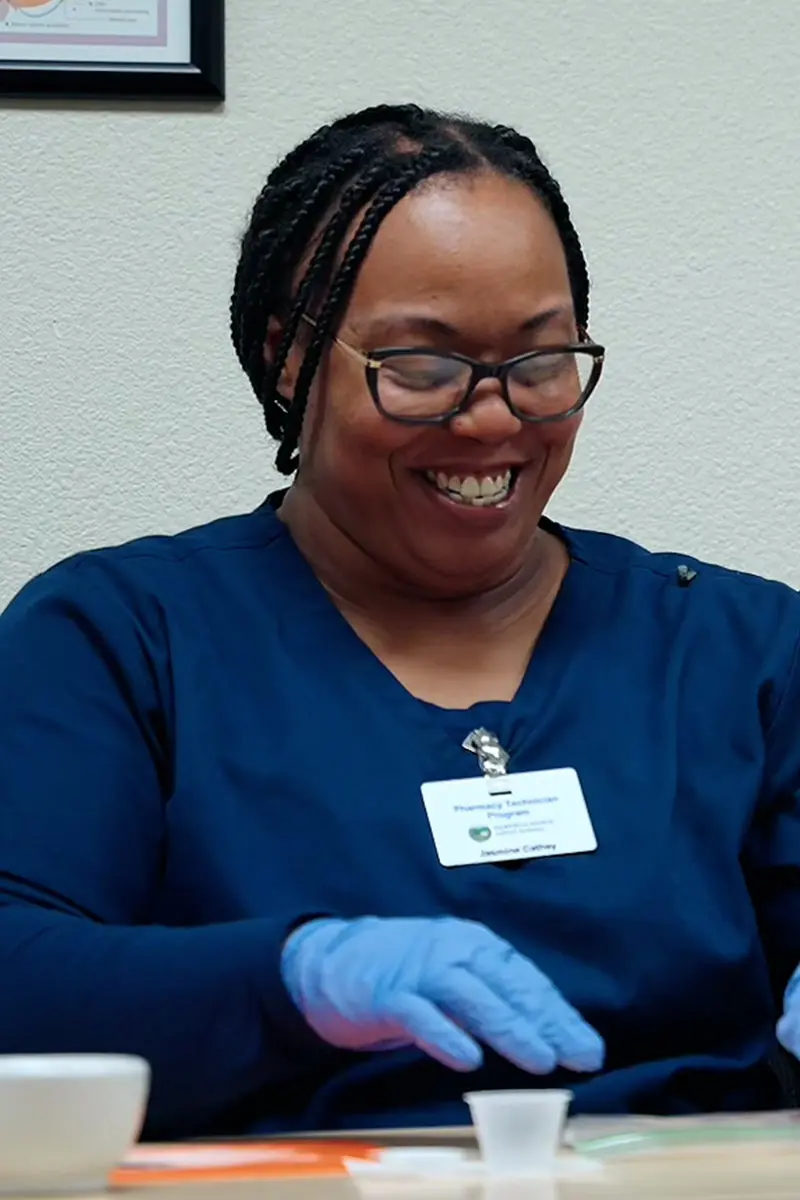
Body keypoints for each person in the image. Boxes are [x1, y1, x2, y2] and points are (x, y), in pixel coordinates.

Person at [2, 102, 800, 1141]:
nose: (492, 416)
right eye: (421, 368)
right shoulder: (124, 640)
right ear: (291, 360)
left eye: (540, 360)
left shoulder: (740, 653)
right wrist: (296, 977)